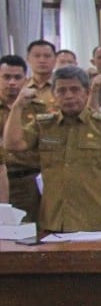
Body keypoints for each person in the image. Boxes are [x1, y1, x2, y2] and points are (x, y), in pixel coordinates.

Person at [3, 65, 101, 231]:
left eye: (75, 90)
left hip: (96, 217)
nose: (69, 96)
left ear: (86, 93)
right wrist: (17, 106)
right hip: (55, 219)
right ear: (54, 95)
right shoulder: (44, 124)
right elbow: (12, 144)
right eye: (62, 91)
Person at [0, 54, 42, 221]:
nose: (12, 82)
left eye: (17, 77)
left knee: (30, 231)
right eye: (6, 77)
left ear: (26, 80)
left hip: (29, 181)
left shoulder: (39, 108)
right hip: (2, 177)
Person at [24, 40, 57, 111]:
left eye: (47, 56)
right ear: (28, 59)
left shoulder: (63, 87)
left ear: (55, 59)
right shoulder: (21, 87)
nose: (42, 60)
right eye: (37, 56)